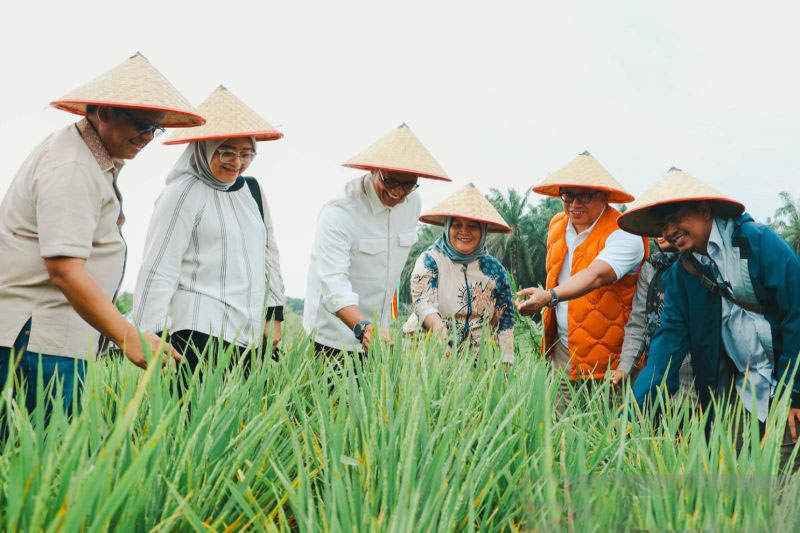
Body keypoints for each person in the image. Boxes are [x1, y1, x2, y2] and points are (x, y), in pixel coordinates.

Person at [0, 53, 200, 418]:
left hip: (51, 339)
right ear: (105, 113)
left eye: (156, 130)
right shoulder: (73, 167)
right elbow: (64, 269)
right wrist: (128, 336)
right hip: (38, 342)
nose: (148, 137)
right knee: (42, 449)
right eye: (143, 126)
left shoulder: (85, 156)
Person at [618, 167, 800, 467]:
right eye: (663, 225)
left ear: (703, 210)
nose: (669, 231)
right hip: (744, 392)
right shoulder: (682, 277)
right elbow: (665, 350)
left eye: (675, 218)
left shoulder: (757, 243)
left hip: (786, 381)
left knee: (778, 480)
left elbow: (796, 312)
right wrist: (629, 416)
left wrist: (794, 393)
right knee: (733, 475)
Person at [133, 86, 286, 384]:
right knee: (196, 409)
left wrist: (273, 315)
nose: (237, 162)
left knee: (243, 408)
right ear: (204, 148)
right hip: (197, 330)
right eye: (226, 152)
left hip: (248, 331)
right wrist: (148, 333)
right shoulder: (182, 193)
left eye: (246, 153)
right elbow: (159, 265)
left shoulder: (252, 191)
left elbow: (269, 256)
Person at [304, 123, 451, 358]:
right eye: (390, 181)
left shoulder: (413, 203)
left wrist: (375, 329)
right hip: (332, 336)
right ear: (374, 170)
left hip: (380, 337)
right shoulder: (340, 211)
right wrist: (363, 327)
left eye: (407, 185)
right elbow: (333, 282)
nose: (397, 192)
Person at [516, 151, 647, 399]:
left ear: (604, 195)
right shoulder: (557, 225)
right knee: (559, 421)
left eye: (584, 196)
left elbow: (597, 275)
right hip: (564, 351)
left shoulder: (624, 232)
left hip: (611, 359)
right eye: (568, 195)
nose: (575, 204)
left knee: (609, 420)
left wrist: (549, 296)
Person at [402, 184, 515, 364]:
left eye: (473, 226)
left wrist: (506, 361)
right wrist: (442, 336)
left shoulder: (495, 270)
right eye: (457, 225)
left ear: (483, 230)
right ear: (447, 227)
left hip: (478, 356)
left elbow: (506, 319)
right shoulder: (431, 261)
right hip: (429, 348)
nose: (464, 231)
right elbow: (423, 304)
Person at [612, 236, 697, 403]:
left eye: (667, 225)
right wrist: (625, 367)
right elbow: (638, 324)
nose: (660, 234)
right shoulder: (651, 267)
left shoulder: (700, 265)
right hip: (655, 371)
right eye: (657, 228)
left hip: (694, 375)